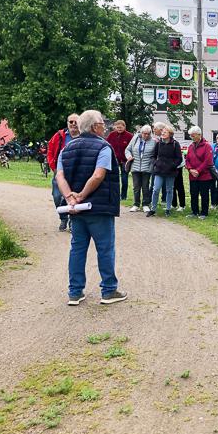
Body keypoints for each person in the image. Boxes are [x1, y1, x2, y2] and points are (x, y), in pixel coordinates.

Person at [55, 110, 127, 306]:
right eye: (102, 123)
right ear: (95, 126)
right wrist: (81, 196)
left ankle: (75, 292)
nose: (105, 126)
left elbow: (59, 176)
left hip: (76, 210)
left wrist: (70, 197)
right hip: (98, 207)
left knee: (77, 248)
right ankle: (109, 290)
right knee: (105, 248)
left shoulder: (66, 149)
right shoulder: (103, 147)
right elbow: (98, 175)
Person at [47, 114, 80, 232]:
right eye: (71, 122)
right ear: (67, 123)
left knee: (73, 197)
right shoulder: (59, 136)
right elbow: (50, 150)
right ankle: (63, 217)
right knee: (57, 196)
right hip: (59, 172)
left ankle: (72, 220)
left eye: (76, 122)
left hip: (76, 172)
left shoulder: (84, 136)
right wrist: (53, 167)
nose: (73, 124)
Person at [148, 125, 182, 217]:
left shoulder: (175, 144)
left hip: (170, 172)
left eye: (165, 132)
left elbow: (179, 158)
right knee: (156, 189)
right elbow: (153, 156)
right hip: (159, 170)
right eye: (162, 131)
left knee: (169, 190)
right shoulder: (158, 143)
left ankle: (168, 209)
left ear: (170, 134)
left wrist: (172, 165)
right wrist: (156, 163)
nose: (162, 133)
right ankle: (153, 209)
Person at [124, 124, 156, 213]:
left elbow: (155, 154)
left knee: (145, 186)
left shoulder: (154, 141)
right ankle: (136, 204)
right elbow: (127, 149)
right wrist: (129, 156)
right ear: (141, 133)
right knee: (136, 187)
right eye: (144, 133)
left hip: (147, 167)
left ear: (150, 133)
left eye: (147, 134)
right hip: (135, 166)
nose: (145, 135)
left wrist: (152, 162)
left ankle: (146, 204)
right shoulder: (135, 139)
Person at [185, 126, 214, 219]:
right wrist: (190, 169)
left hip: (204, 175)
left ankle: (204, 212)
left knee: (204, 194)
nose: (191, 137)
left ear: (199, 135)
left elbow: (208, 161)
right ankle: (194, 211)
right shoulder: (191, 146)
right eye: (190, 136)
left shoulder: (207, 146)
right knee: (193, 194)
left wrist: (198, 170)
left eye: (193, 135)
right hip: (192, 175)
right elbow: (187, 160)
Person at [106, 120, 133, 200]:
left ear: (124, 127)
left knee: (124, 178)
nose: (119, 129)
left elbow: (132, 148)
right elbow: (107, 145)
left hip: (125, 160)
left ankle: (123, 196)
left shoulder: (129, 136)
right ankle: (114, 194)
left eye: (121, 127)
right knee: (114, 177)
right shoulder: (112, 135)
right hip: (114, 159)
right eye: (117, 127)